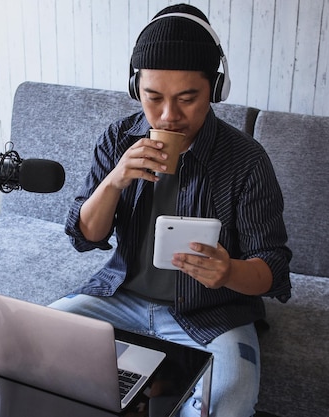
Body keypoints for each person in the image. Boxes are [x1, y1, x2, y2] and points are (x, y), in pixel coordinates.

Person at [49, 4, 292, 416]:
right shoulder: (119, 138)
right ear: (135, 88)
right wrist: (115, 179)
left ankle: (164, 384)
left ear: (214, 91)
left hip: (213, 312)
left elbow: (274, 267)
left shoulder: (246, 160)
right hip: (119, 296)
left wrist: (229, 271)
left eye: (187, 99)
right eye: (153, 97)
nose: (168, 116)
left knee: (228, 401)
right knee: (38, 347)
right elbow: (84, 236)